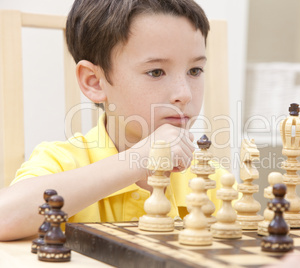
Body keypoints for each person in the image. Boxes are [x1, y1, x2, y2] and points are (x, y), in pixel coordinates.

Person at [0, 0, 227, 241]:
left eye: (195, 71)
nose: (185, 94)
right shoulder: (62, 161)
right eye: (156, 72)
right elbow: (5, 218)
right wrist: (137, 160)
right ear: (94, 82)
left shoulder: (210, 180)